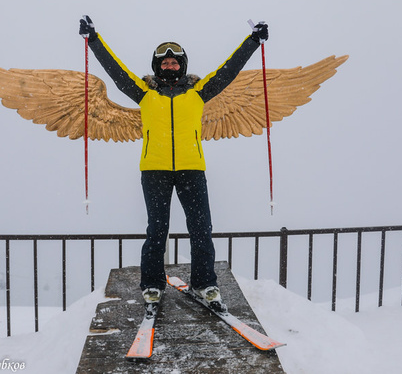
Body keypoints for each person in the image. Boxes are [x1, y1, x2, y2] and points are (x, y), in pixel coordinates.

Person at [79, 16, 268, 310]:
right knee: (157, 229)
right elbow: (115, 70)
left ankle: (204, 284)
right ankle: (152, 285)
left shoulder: (198, 92)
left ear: (183, 65)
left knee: (201, 227)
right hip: (154, 170)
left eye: (175, 62)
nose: (170, 66)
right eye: (165, 63)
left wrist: (253, 41)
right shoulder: (144, 93)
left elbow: (228, 70)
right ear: (157, 67)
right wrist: (93, 39)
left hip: (191, 168)